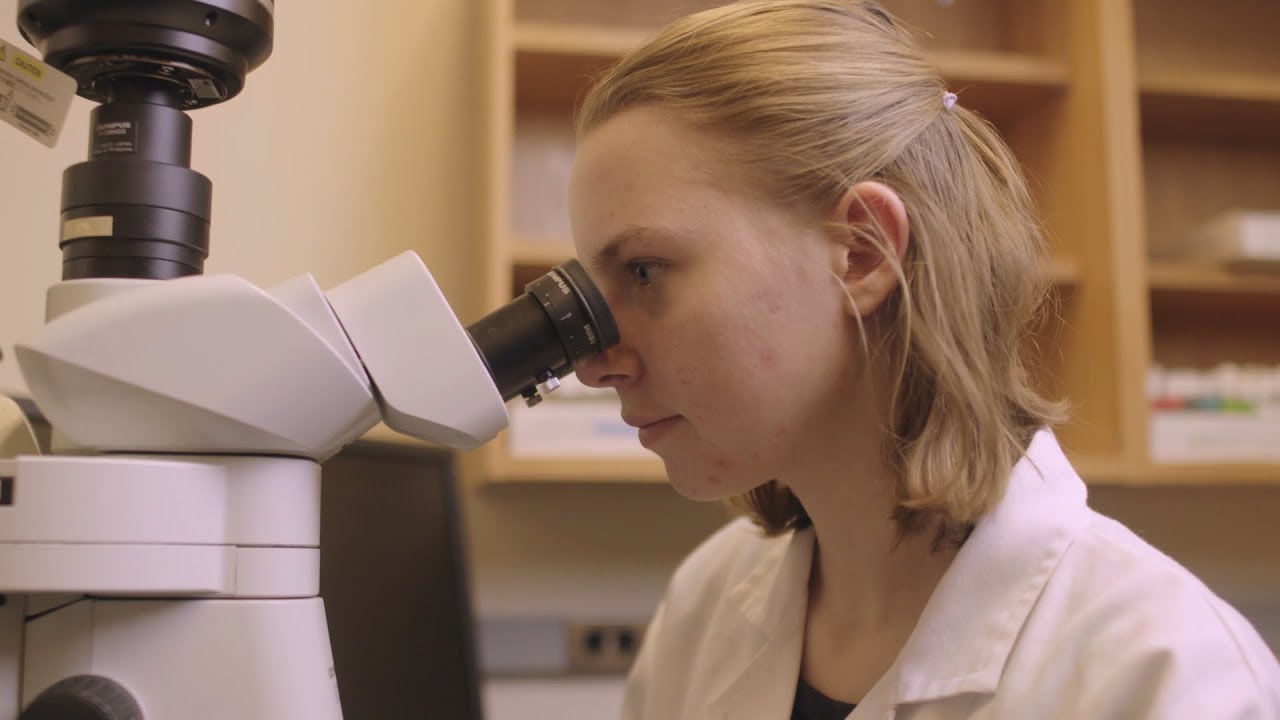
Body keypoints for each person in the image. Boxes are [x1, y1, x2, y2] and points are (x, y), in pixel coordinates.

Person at [567, 1, 1280, 718]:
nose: (593, 365)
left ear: (862, 254)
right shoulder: (705, 607)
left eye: (647, 272)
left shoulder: (1166, 674)